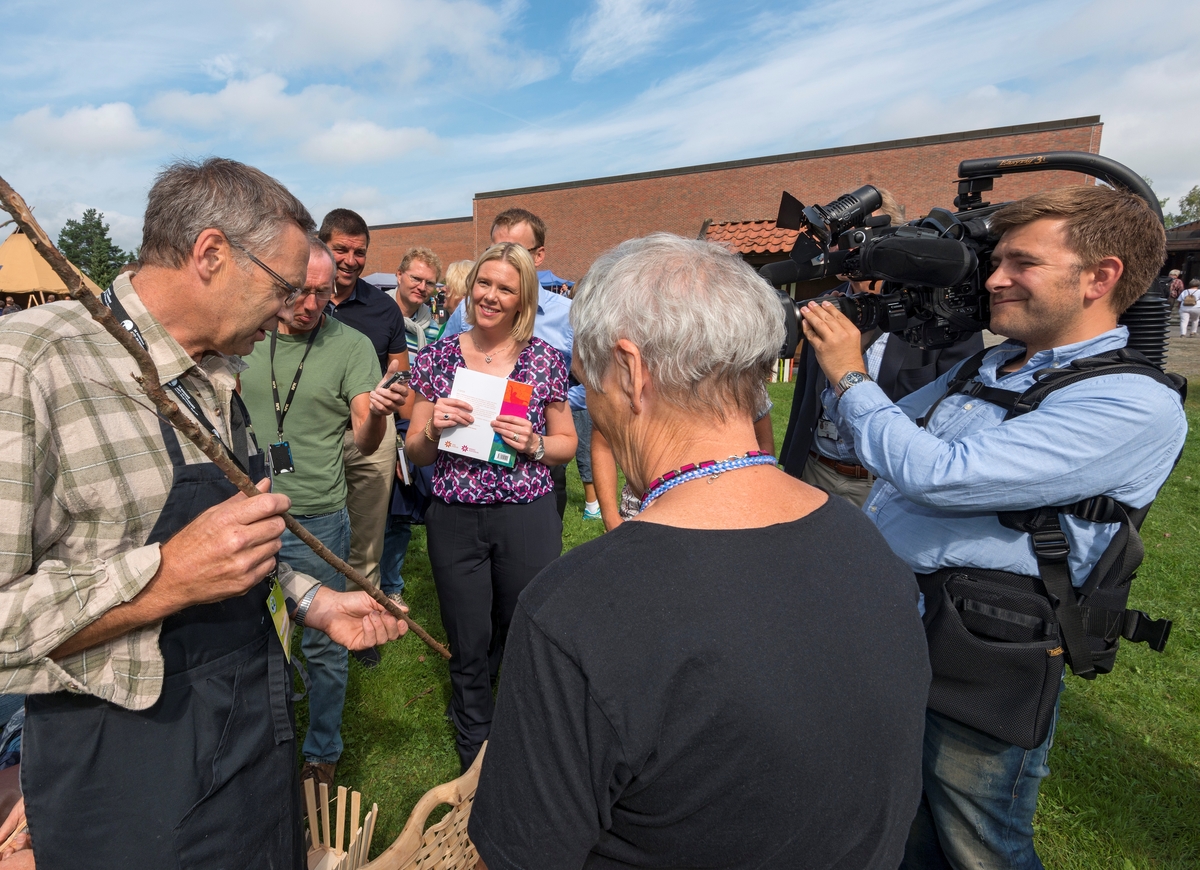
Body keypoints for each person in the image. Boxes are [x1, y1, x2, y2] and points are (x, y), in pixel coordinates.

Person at [468, 234, 931, 869]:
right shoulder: (870, 545)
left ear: (631, 371)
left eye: (586, 374)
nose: (585, 397)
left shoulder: (574, 612)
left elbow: (525, 855)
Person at [0, 157, 404, 869]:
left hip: (251, 752)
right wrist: (164, 580)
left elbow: (231, 549)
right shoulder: (31, 367)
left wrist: (310, 600)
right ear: (211, 253)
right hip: (128, 790)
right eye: (282, 287)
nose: (292, 310)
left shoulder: (216, 374)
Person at [799, 184, 1187, 869]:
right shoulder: (992, 363)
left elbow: (935, 473)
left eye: (1021, 263)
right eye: (997, 260)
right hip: (904, 620)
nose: (997, 280)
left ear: (1101, 277)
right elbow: (886, 443)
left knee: (981, 845)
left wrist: (851, 376)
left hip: (985, 642)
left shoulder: (1132, 401)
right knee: (909, 820)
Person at [240, 236, 410, 789]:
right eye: (298, 291)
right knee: (254, 641)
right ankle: (262, 746)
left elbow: (363, 439)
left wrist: (379, 414)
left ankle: (322, 752)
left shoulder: (351, 345)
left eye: (322, 292)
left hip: (316, 521)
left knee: (324, 640)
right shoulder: (246, 335)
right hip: (247, 518)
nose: (311, 304)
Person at [405, 242, 577, 772]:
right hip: (455, 515)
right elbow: (415, 449)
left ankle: (522, 721)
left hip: (526, 514)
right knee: (466, 630)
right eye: (484, 283)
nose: (491, 296)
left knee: (522, 622)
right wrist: (432, 426)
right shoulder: (437, 357)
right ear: (470, 286)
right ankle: (474, 740)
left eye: (506, 288)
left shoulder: (544, 360)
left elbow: (567, 442)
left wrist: (533, 444)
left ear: (524, 297)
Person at [780, 189, 984, 507]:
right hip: (814, 469)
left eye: (852, 239)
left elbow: (957, 413)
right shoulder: (826, 305)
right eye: (835, 240)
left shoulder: (943, 313)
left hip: (885, 485)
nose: (839, 250)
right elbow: (806, 391)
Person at [442, 208, 577, 519]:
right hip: (467, 458)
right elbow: (440, 368)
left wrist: (548, 408)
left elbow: (595, 383)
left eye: (517, 250)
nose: (504, 258)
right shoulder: (467, 312)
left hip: (538, 458)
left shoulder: (567, 317)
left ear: (539, 255)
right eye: (493, 249)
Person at [321, 209, 411, 667]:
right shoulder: (300, 300)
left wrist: (404, 425)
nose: (352, 260)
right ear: (322, 247)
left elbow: (401, 374)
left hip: (370, 438)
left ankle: (362, 622)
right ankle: (312, 622)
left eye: (360, 252)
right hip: (313, 438)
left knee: (367, 538)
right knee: (306, 532)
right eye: (342, 249)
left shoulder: (382, 308)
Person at [379, 246, 444, 604]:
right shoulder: (377, 314)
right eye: (416, 278)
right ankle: (362, 581)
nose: (422, 286)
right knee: (374, 510)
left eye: (429, 282)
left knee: (402, 510)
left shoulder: (432, 326)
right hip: (382, 420)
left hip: (414, 425)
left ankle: (390, 586)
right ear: (399, 275)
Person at [438, 259, 473, 331]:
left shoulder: (469, 328)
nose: (443, 289)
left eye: (448, 286)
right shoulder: (446, 326)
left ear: (462, 290)